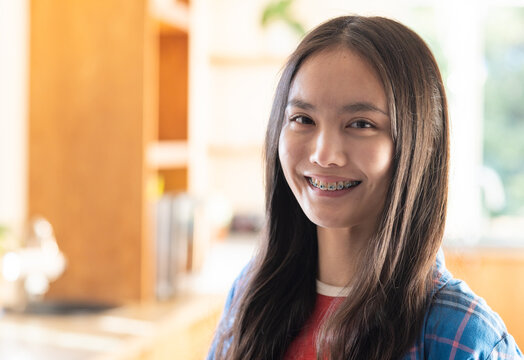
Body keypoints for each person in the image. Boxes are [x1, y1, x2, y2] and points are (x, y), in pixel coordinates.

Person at [207, 15, 523, 360]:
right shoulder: (250, 297)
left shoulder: (463, 335)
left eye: (361, 124)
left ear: (419, 146)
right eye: (303, 119)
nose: (324, 154)